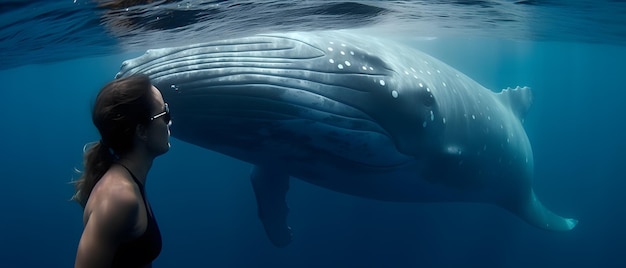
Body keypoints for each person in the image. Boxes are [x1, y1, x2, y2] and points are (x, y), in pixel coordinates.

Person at [72, 74, 172, 268]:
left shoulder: (128, 182)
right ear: (141, 131)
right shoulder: (119, 197)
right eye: (164, 114)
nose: (170, 122)